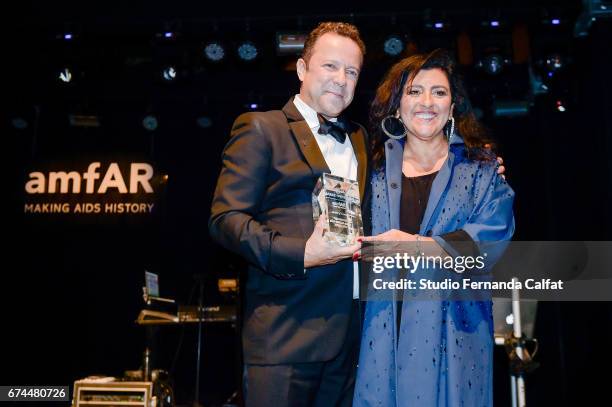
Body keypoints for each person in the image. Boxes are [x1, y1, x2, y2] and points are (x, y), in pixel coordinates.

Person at [209, 22, 367, 407]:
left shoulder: (362, 138)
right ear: (301, 69)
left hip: (351, 341)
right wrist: (300, 254)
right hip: (284, 336)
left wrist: (480, 164)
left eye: (351, 72)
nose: (340, 80)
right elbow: (225, 219)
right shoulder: (262, 128)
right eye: (330, 66)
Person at [352, 49, 515, 406]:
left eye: (439, 92)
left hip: (457, 337)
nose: (427, 102)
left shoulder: (482, 172)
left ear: (452, 106)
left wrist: (412, 246)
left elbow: (489, 244)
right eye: (414, 91)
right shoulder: (369, 176)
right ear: (396, 107)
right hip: (381, 337)